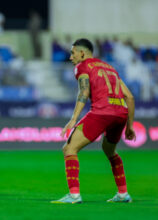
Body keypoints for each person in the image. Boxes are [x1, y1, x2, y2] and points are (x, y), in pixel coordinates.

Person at [51, 39, 135, 204]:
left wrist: (73, 118)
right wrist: (129, 126)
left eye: (73, 53)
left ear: (82, 53)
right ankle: (123, 194)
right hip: (120, 114)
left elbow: (84, 91)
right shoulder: (110, 68)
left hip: (102, 112)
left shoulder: (82, 66)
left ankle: (74, 195)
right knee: (109, 151)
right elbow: (129, 97)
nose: (70, 57)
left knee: (69, 148)